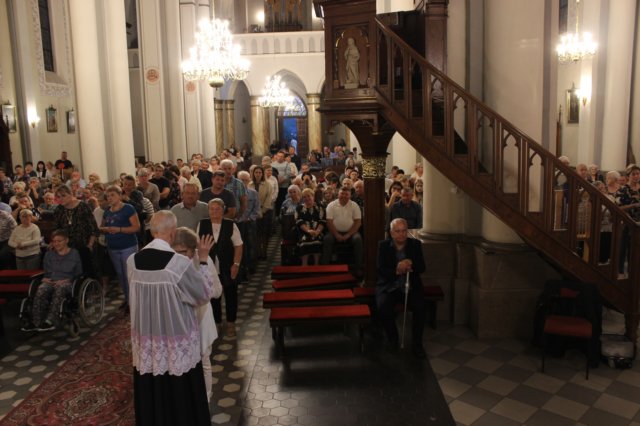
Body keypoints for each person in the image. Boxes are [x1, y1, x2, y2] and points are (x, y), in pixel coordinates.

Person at [128, 211, 214, 425]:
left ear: (152, 231)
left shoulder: (132, 261)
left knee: (153, 388)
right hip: (176, 338)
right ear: (173, 233)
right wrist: (203, 261)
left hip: (148, 339)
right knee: (180, 393)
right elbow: (203, 295)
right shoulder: (178, 264)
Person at [172, 227, 222, 402]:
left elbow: (217, 291)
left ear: (192, 250)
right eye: (174, 251)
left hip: (201, 316)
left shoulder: (203, 260)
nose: (178, 256)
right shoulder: (172, 263)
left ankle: (206, 399)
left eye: (182, 252)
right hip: (181, 318)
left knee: (203, 359)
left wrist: (199, 290)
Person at [376, 218, 427, 359]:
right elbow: (381, 269)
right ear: (391, 233)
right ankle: (393, 339)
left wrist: (411, 263)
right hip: (390, 286)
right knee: (383, 307)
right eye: (398, 231)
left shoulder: (415, 244)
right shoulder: (383, 246)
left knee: (421, 307)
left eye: (404, 231)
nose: (401, 234)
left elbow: (422, 267)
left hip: (410, 286)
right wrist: (397, 270)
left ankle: (417, 344)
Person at [197, 198, 243, 337]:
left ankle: (231, 323)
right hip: (209, 267)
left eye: (217, 209)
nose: (214, 211)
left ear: (223, 210)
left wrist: (236, 264)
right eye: (212, 209)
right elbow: (198, 245)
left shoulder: (230, 225)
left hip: (228, 265)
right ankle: (216, 323)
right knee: (213, 295)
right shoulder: (202, 224)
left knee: (231, 294)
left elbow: (238, 245)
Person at [21, 229, 82, 332]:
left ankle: (50, 321)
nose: (56, 243)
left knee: (60, 289)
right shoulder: (49, 254)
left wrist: (67, 280)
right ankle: (36, 321)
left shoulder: (74, 253)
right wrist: (45, 278)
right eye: (54, 241)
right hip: (51, 281)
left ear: (66, 240)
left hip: (67, 282)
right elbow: (46, 271)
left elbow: (79, 272)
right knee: (41, 289)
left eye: (59, 241)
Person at [100, 185, 140, 310]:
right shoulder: (107, 211)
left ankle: (135, 301)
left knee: (130, 275)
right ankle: (127, 300)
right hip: (113, 247)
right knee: (121, 275)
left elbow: (136, 227)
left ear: (120, 195)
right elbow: (102, 226)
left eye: (112, 195)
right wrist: (105, 229)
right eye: (108, 196)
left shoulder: (128, 208)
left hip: (128, 245)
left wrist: (119, 229)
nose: (109, 198)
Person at [53, 185, 99, 277]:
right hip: (66, 246)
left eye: (63, 195)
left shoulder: (83, 206)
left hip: (84, 244)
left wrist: (90, 245)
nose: (61, 198)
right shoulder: (59, 209)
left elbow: (93, 227)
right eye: (58, 196)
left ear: (71, 194)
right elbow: (57, 229)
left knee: (86, 271)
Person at [322, 186, 363, 276]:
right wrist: (336, 234)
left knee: (358, 239)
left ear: (350, 196)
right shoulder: (331, 205)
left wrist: (348, 235)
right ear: (338, 194)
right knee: (327, 239)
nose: (344, 196)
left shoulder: (354, 205)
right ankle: (325, 268)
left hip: (351, 232)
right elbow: (329, 222)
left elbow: (358, 222)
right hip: (334, 232)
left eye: (346, 194)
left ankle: (358, 268)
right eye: (342, 194)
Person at [295, 188, 325, 266]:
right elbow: (299, 222)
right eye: (304, 197)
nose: (307, 198)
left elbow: (322, 221)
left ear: (313, 196)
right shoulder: (299, 208)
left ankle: (316, 265)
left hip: (318, 231)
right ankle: (304, 265)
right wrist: (308, 231)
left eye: (308, 196)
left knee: (317, 239)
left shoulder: (320, 207)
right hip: (304, 231)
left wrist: (317, 232)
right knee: (304, 240)